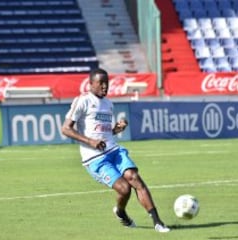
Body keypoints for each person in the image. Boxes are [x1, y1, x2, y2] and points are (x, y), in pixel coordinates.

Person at [61, 68, 170, 233]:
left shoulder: (108, 103)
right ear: (91, 84)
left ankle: (158, 222)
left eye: (107, 83)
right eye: (101, 83)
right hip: (95, 158)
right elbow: (66, 129)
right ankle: (120, 211)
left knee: (134, 178)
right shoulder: (82, 100)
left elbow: (104, 132)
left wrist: (117, 129)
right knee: (124, 189)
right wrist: (90, 141)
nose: (105, 87)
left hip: (114, 150)